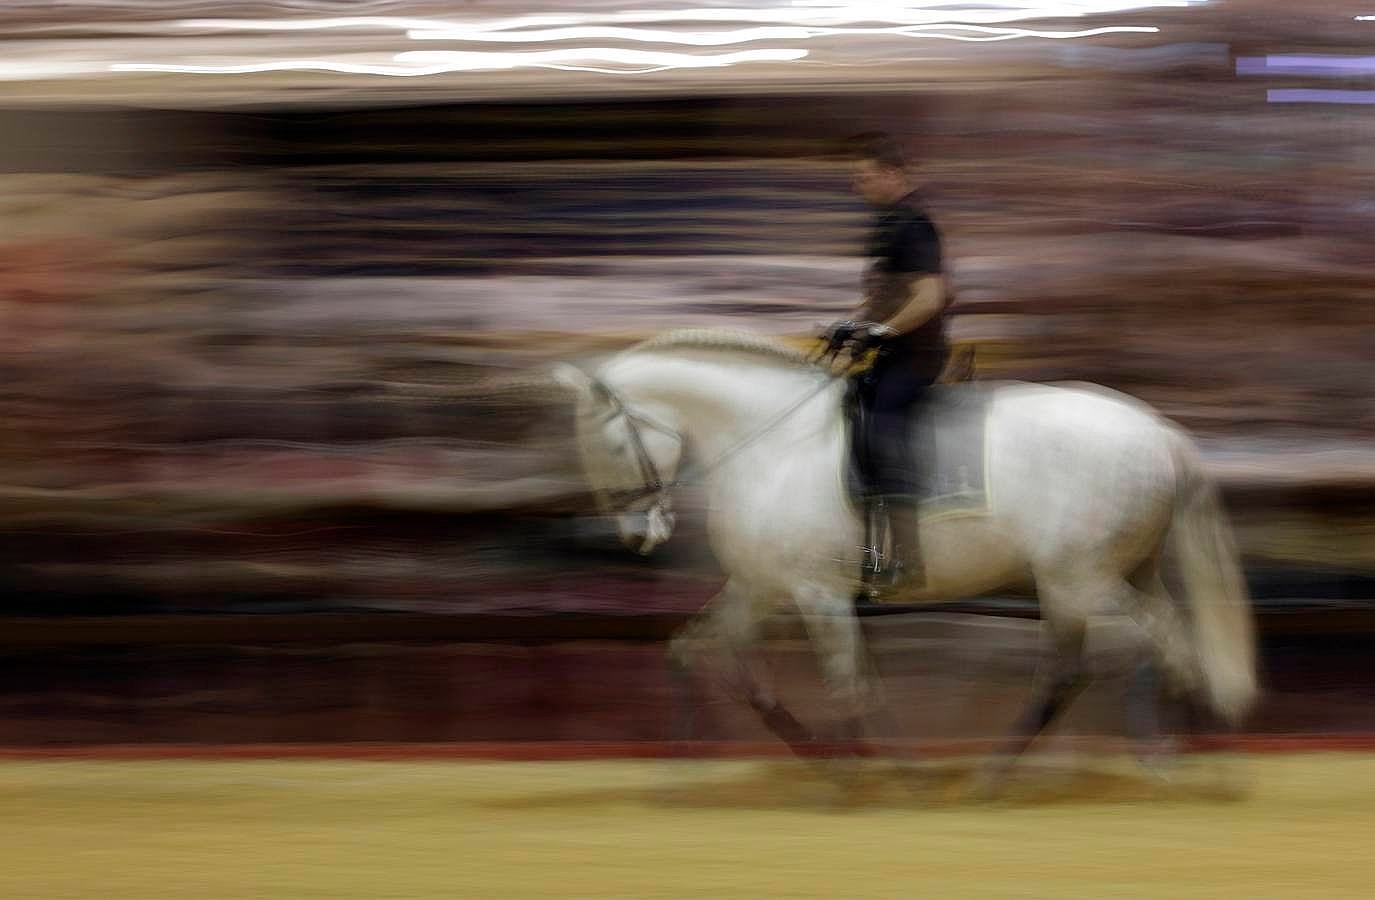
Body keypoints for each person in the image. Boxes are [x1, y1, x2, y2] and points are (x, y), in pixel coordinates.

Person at [826, 133, 950, 591]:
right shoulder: (887, 224)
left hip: (916, 358)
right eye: (855, 178)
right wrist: (853, 324)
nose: (858, 186)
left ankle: (907, 555)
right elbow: (882, 299)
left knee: (880, 421)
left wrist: (882, 331)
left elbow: (929, 297)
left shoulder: (915, 226)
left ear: (893, 174)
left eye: (864, 177)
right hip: (890, 350)